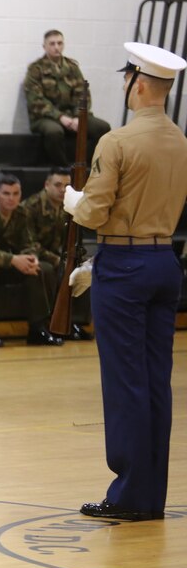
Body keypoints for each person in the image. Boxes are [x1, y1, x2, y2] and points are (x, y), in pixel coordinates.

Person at [65, 42, 187, 522]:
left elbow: (95, 211)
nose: (124, 86)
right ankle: (149, 493)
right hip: (163, 262)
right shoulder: (179, 140)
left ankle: (130, 495)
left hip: (124, 265)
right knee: (156, 382)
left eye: (127, 79)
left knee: (125, 383)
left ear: (138, 83)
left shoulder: (116, 141)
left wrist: (73, 200)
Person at [0, 175, 62, 347]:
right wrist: (13, 260)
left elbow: (29, 242)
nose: (11, 198)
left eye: (15, 194)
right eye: (6, 194)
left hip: (10, 263)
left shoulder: (22, 213)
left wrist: (31, 259)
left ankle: (37, 327)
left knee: (41, 269)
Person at [22, 167, 91, 341]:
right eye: (58, 185)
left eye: (67, 185)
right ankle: (40, 325)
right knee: (44, 269)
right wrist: (57, 259)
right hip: (35, 255)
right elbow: (30, 243)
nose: (63, 189)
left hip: (58, 256)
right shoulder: (31, 206)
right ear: (46, 185)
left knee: (82, 269)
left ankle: (74, 322)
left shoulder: (69, 206)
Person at [24, 30, 112, 166]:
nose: (56, 47)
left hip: (73, 116)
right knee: (54, 132)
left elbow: (83, 94)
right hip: (46, 118)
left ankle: (87, 166)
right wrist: (60, 117)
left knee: (102, 127)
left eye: (59, 43)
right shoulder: (36, 69)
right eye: (52, 44)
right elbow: (36, 101)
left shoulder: (72, 67)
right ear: (44, 47)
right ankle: (63, 169)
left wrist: (78, 116)